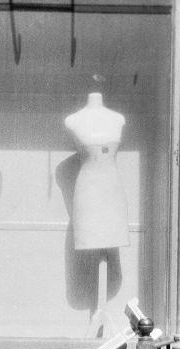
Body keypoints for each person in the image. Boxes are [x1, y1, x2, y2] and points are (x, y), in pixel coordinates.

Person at [64, 92, 131, 250]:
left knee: (113, 246)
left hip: (113, 192)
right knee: (89, 246)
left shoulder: (118, 119)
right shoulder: (73, 120)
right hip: (88, 193)